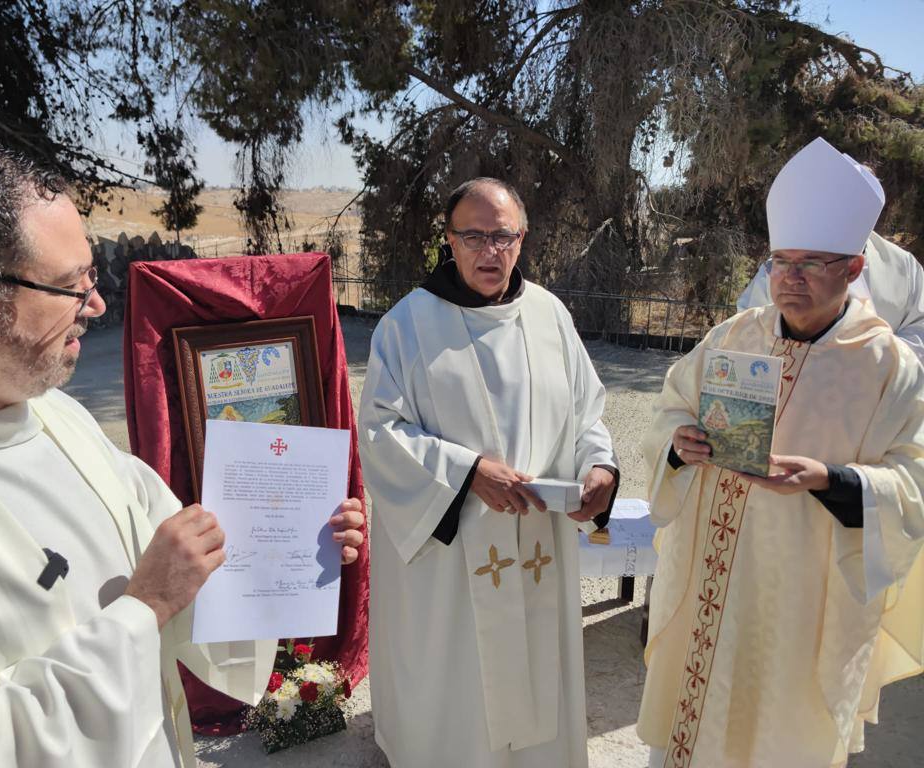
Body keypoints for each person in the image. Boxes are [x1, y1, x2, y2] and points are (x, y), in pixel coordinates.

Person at [0, 137, 366, 768]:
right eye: (70, 288)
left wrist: (290, 540)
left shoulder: (59, 417)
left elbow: (184, 558)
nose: (94, 305)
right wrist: (142, 610)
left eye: (92, 278)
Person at [638, 137, 924, 767]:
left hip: (802, 596)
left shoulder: (888, 368)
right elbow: (671, 408)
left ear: (853, 268)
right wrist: (679, 447)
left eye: (811, 264)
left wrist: (833, 480)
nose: (789, 279)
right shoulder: (733, 335)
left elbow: (913, 483)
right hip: (712, 582)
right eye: (779, 261)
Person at [358, 177, 619, 768]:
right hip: (451, 560)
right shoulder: (408, 325)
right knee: (461, 705)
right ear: (448, 240)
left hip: (539, 547)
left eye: (502, 236)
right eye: (472, 235)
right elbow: (379, 433)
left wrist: (599, 466)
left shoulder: (551, 315)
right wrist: (470, 472)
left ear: (521, 239)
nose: (489, 250)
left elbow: (589, 412)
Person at [736, 161, 924, 367]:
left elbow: (919, 326)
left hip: (882, 389)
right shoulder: (784, 264)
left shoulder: (903, 267)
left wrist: (879, 361)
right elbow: (748, 328)